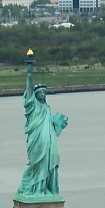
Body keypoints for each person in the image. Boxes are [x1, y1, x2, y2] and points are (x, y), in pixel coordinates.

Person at [17, 54, 68, 199]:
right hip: (37, 139)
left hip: (49, 140)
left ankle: (46, 189)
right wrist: (29, 69)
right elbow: (29, 85)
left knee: (50, 160)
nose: (43, 94)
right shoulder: (32, 105)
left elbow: (53, 124)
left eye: (44, 93)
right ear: (35, 94)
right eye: (40, 92)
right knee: (35, 163)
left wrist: (60, 123)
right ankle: (32, 189)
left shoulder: (47, 108)